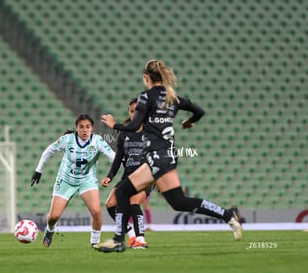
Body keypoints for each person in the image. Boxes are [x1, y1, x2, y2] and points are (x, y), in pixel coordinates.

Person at [96, 59, 243, 252]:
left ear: (146, 78)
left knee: (124, 193)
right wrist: (189, 122)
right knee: (177, 201)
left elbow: (133, 125)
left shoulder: (146, 97)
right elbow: (199, 111)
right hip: (166, 155)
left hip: (157, 156)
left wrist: (114, 125)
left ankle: (118, 239)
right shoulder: (172, 97)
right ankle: (227, 214)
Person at [30, 114, 115, 248]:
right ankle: (50, 230)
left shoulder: (98, 141)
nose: (85, 130)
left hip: (87, 180)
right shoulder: (67, 139)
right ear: (76, 128)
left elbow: (114, 158)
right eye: (81, 127)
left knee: (97, 212)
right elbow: (49, 150)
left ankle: (95, 243)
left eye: (88, 127)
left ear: (92, 128)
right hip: (66, 180)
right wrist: (38, 170)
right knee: (53, 217)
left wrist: (125, 173)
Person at [101, 98, 154, 249]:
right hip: (128, 176)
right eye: (132, 111)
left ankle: (141, 240)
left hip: (146, 176)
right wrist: (109, 176)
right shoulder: (124, 133)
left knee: (134, 201)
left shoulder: (151, 131)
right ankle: (130, 233)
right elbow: (118, 158)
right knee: (110, 204)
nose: (134, 114)